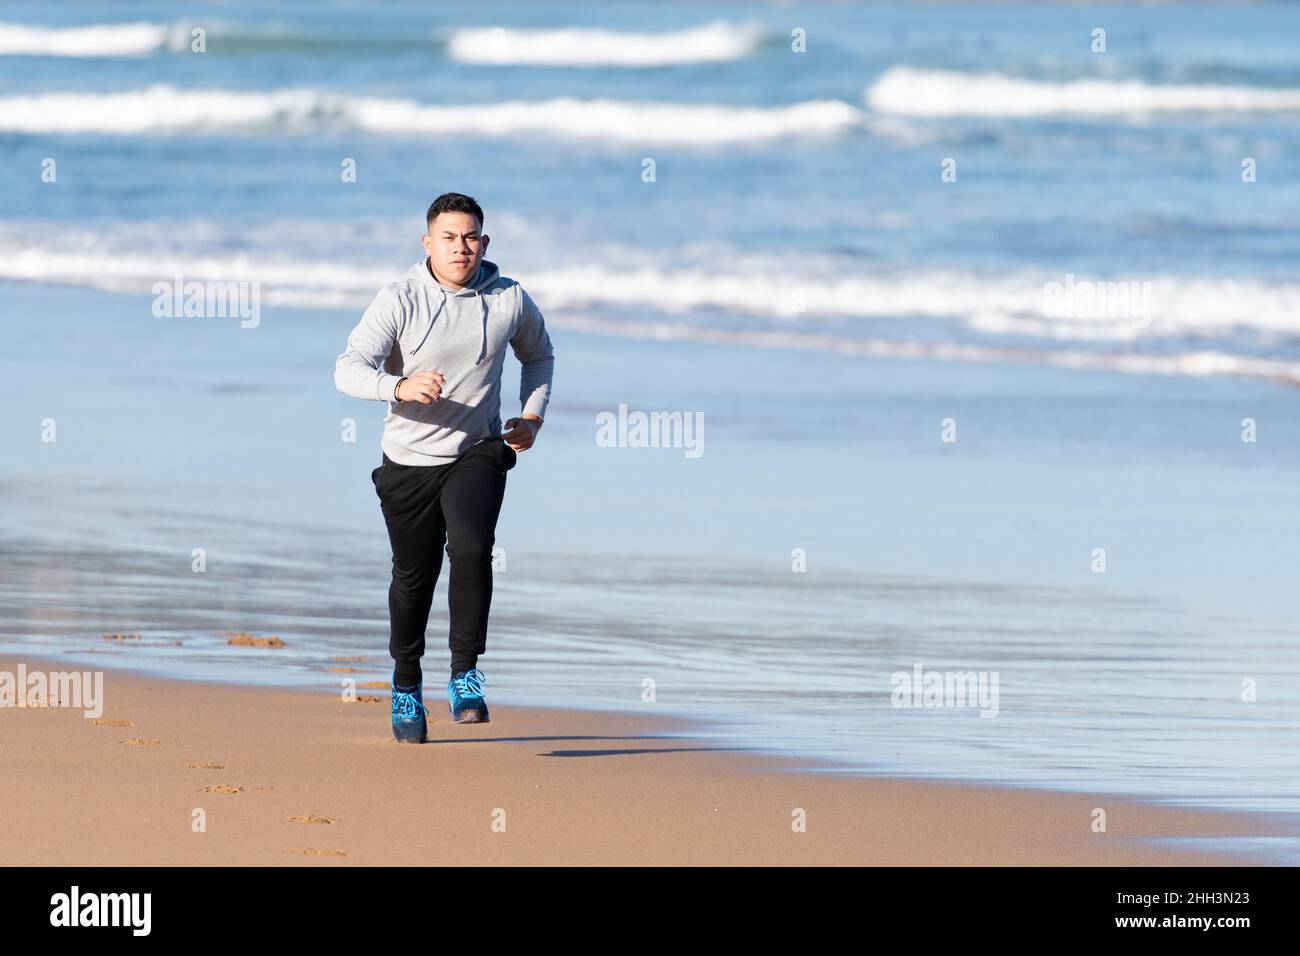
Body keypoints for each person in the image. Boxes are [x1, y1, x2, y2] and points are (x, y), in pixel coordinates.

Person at [333, 192, 554, 743]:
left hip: (476, 450)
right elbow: (347, 369)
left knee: (474, 547)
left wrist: (532, 415)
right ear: (428, 243)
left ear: (485, 242)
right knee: (414, 578)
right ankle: (406, 685)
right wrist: (399, 386)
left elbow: (540, 355)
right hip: (408, 459)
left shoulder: (508, 299)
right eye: (449, 237)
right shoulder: (400, 298)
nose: (462, 247)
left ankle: (465, 674)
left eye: (471, 236)